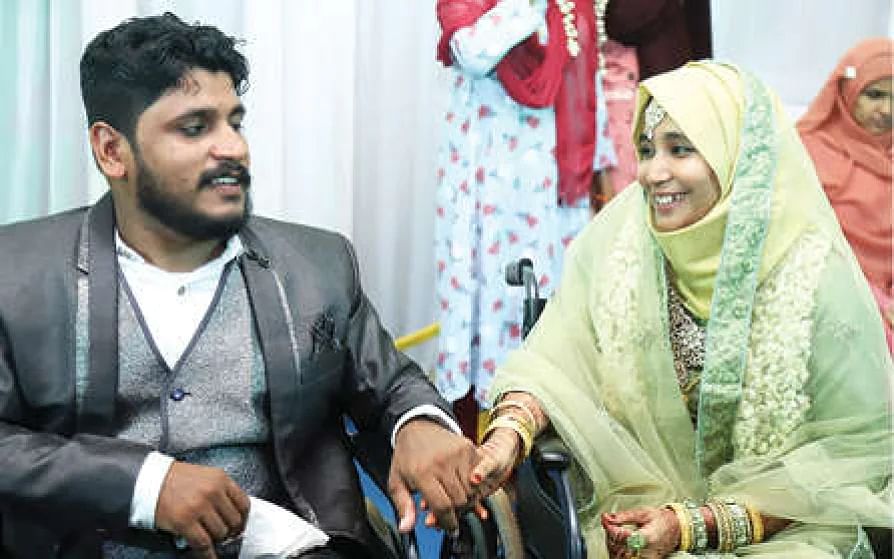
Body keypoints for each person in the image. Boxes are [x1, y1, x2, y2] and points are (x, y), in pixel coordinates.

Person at [0, 13, 481, 559]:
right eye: (195, 127)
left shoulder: (315, 265)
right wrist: (143, 486)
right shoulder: (17, 274)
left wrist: (419, 424)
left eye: (235, 123)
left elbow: (392, 386)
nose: (232, 147)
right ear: (112, 150)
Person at [470, 61, 893, 558]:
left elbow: (855, 454)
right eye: (647, 150)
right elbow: (555, 361)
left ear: (735, 154)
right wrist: (505, 439)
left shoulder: (814, 275)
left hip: (786, 532)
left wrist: (697, 526)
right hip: (629, 516)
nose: (653, 173)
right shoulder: (620, 243)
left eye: (680, 149)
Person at [434, 0, 618, 433]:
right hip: (487, 192)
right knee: (487, 310)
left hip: (556, 193)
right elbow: (472, 51)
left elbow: (587, 77)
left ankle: (540, 427)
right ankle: (476, 436)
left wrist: (601, 170)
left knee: (554, 306)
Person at [797, 38, 893, 353]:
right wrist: (876, 302)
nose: (887, 111)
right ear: (846, 91)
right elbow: (800, 244)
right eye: (874, 95)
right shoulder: (805, 152)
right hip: (830, 303)